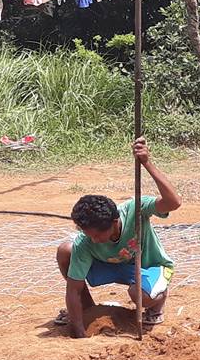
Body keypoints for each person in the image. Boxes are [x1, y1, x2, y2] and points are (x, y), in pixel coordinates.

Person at [56, 138, 181, 335]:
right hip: (110, 267)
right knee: (66, 250)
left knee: (139, 295)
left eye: (98, 235)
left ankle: (156, 306)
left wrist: (147, 162)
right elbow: (73, 288)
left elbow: (173, 202)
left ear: (114, 222)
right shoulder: (86, 240)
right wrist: (78, 329)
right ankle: (88, 308)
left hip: (147, 266)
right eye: (88, 235)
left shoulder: (135, 209)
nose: (94, 240)